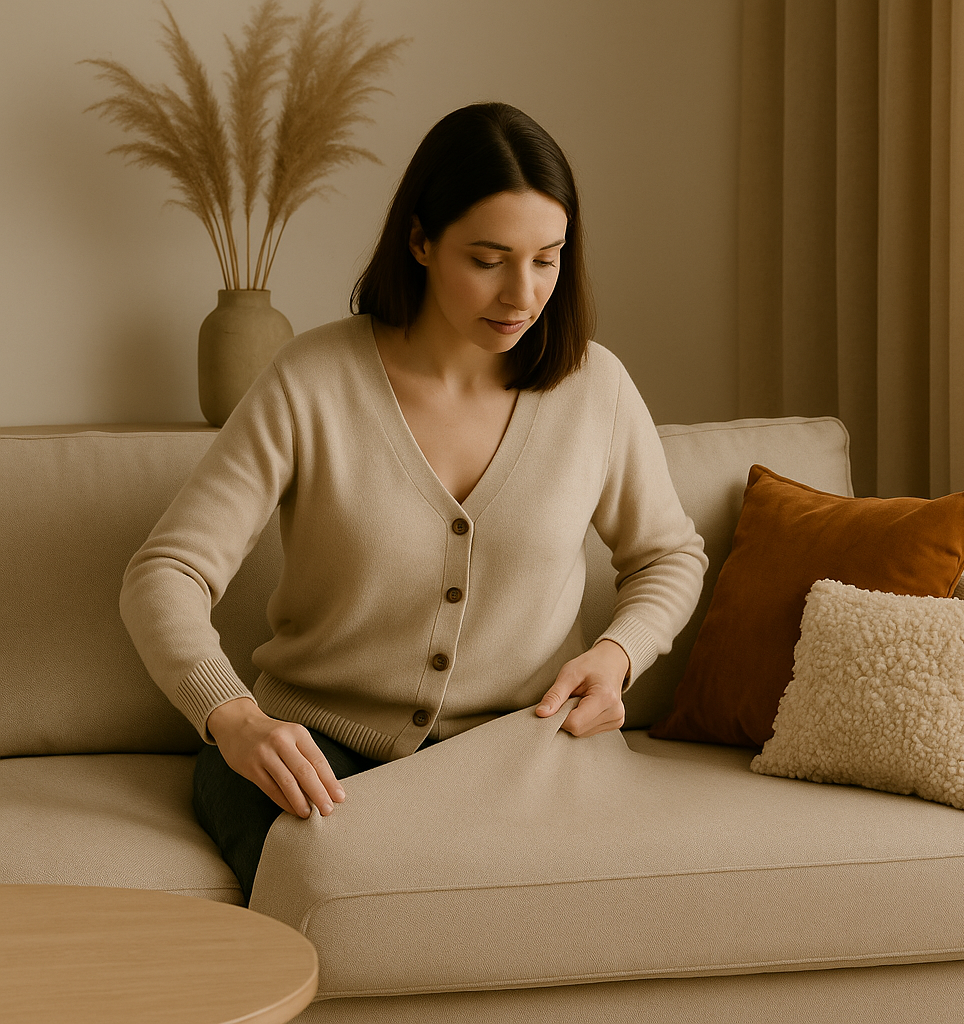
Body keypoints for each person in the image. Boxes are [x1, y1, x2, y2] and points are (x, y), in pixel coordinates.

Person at [120, 101, 708, 902]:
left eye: (548, 258)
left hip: (523, 751)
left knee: (566, 911)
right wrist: (232, 715)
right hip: (315, 755)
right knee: (338, 902)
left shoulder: (594, 388)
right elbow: (166, 572)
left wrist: (619, 656)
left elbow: (669, 554)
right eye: (489, 258)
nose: (522, 293)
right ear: (421, 240)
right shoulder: (313, 379)